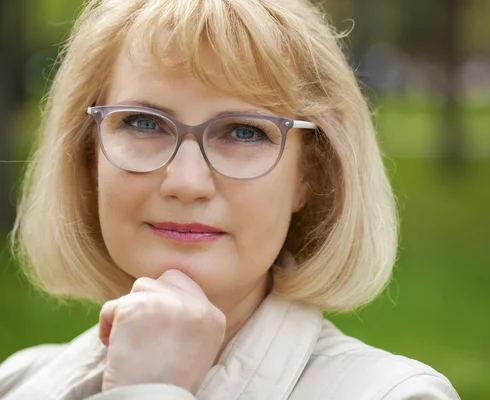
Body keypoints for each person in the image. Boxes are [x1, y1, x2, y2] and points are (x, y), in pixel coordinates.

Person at [0, 0, 460, 399]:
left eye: (244, 132)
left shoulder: (396, 396)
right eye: (143, 123)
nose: (186, 182)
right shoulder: (17, 383)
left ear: (309, 175)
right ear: (89, 155)